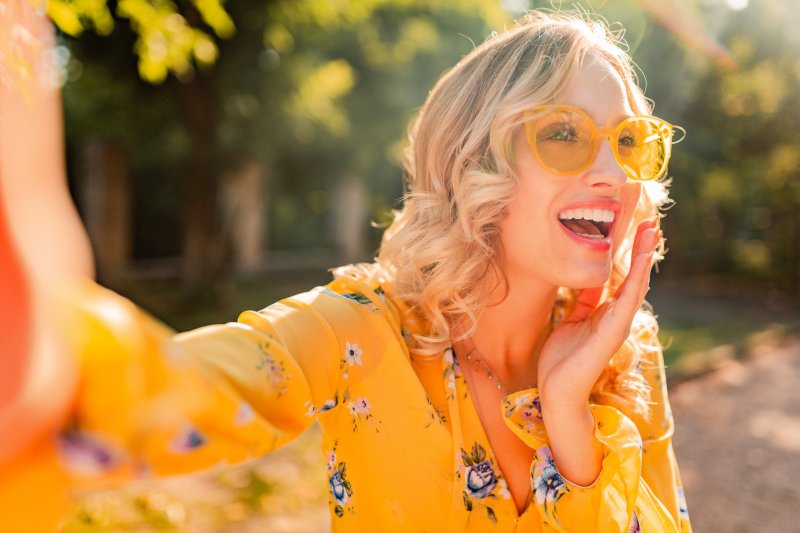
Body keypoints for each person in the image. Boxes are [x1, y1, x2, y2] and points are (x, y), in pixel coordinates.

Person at [1, 9, 692, 532]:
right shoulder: (365, 326)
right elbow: (177, 393)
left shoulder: (625, 351)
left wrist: (570, 421)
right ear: (478, 161)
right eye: (565, 133)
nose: (611, 173)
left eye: (631, 143)